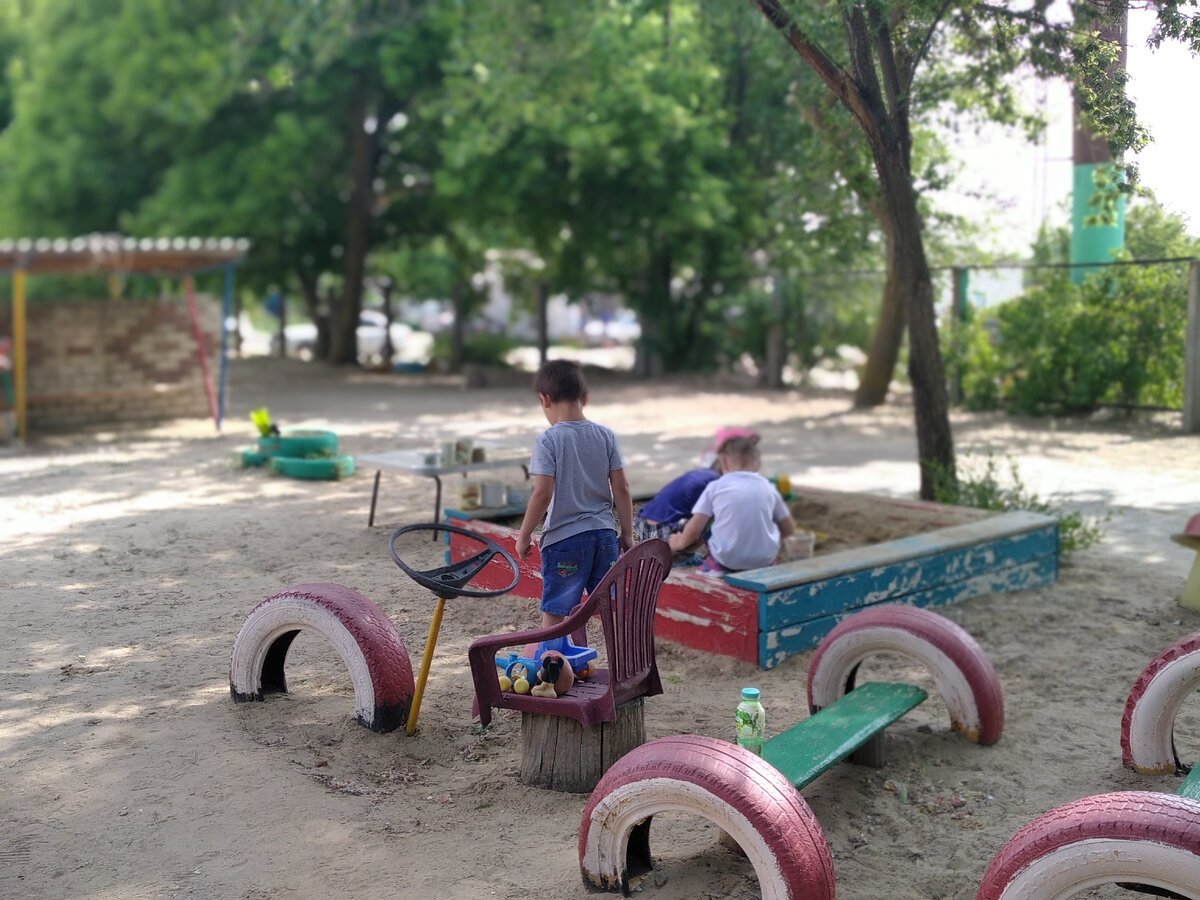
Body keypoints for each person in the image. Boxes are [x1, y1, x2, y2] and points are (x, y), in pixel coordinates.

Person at [515, 360, 634, 628]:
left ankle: (553, 654)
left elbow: (542, 493)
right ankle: (620, 653)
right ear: (585, 398)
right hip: (604, 536)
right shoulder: (606, 435)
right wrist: (626, 533)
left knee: (556, 610)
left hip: (564, 540)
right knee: (610, 608)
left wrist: (523, 536)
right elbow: (622, 488)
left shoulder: (548, 440)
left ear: (545, 399)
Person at [668, 434, 796, 574]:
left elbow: (695, 527)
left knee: (708, 520)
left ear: (723, 462)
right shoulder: (769, 488)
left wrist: (680, 542)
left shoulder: (715, 487)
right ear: (758, 464)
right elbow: (789, 529)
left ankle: (714, 569)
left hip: (727, 560)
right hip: (764, 561)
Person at [633, 426, 760, 543]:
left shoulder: (704, 474)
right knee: (712, 520)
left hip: (643, 522)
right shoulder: (716, 484)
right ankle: (681, 555)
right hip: (659, 532)